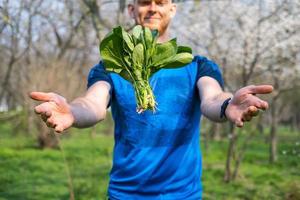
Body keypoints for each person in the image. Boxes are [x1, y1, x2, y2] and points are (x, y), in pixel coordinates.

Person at [30, 0, 273, 199]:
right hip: (125, 193)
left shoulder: (196, 64)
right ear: (131, 9)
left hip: (182, 194)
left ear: (172, 9)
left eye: (161, 2)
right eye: (145, 2)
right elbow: (92, 104)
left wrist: (227, 105)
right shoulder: (112, 66)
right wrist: (72, 111)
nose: (153, 8)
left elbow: (213, 98)